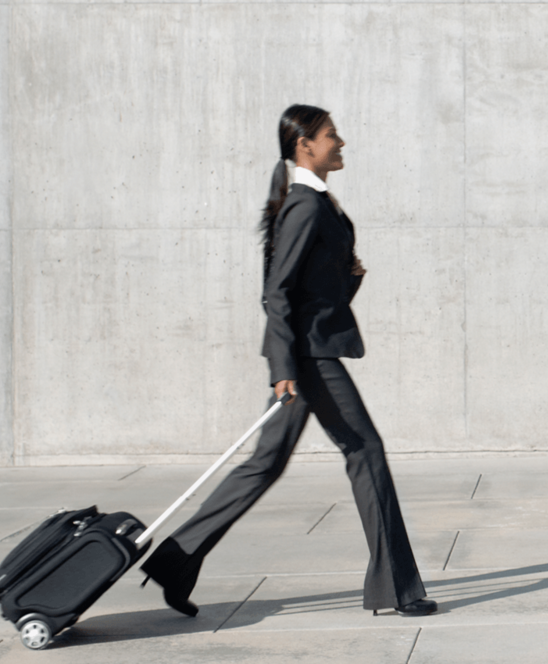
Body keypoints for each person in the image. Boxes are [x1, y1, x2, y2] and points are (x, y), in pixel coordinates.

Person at [139, 104, 438, 618]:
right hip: (309, 358)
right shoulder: (304, 204)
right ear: (305, 145)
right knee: (366, 451)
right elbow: (276, 292)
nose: (340, 142)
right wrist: (283, 368)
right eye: (331, 136)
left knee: (265, 464)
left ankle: (174, 561)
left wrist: (349, 275)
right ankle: (398, 589)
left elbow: (306, 286)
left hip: (306, 352)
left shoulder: (315, 200)